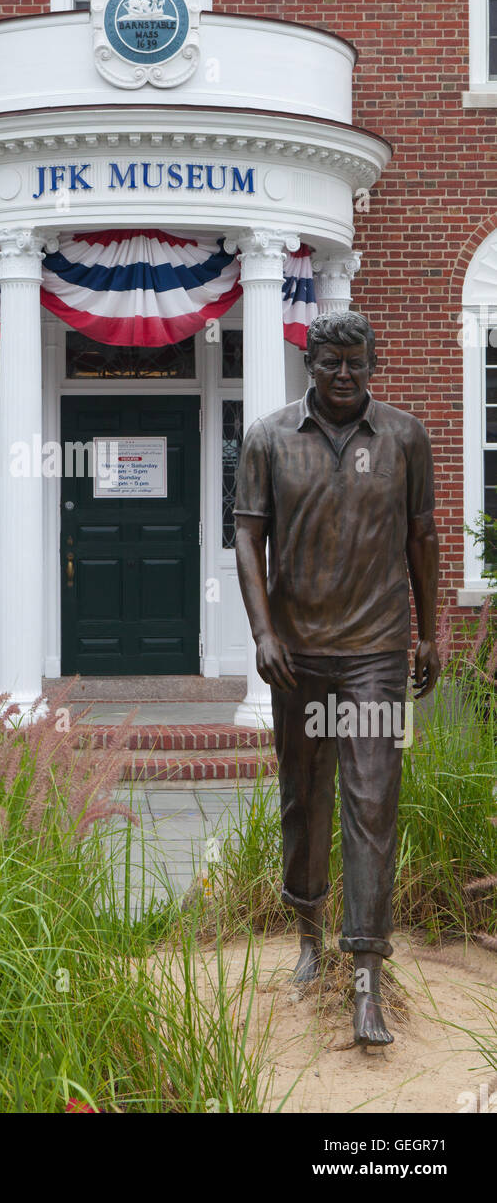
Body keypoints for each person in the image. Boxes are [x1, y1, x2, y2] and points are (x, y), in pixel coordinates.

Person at [233, 310, 440, 1045]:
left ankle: (365, 978)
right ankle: (310, 938)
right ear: (309, 363)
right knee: (304, 800)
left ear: (373, 363)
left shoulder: (405, 437)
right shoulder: (267, 438)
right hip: (298, 652)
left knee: (372, 802)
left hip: (377, 652)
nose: (344, 375)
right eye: (330, 362)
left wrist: (432, 632)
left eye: (356, 362)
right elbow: (247, 533)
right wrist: (262, 631)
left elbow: (423, 537)